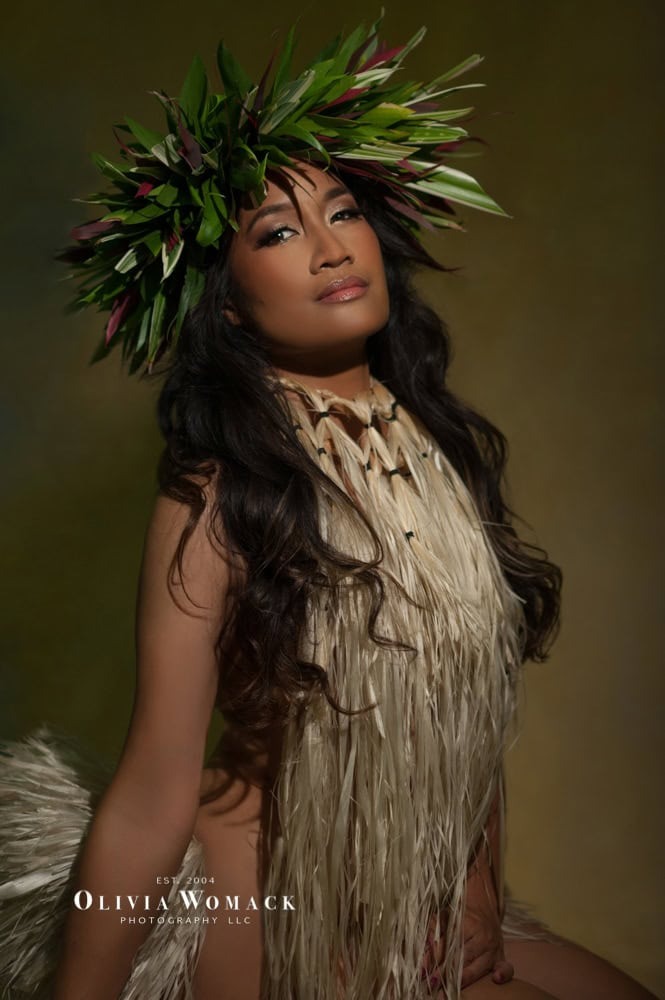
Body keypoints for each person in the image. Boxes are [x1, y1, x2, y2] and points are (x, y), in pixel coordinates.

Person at [0, 15, 658, 1000]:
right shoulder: (218, 492)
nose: (327, 249)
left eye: (340, 212)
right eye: (277, 231)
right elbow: (151, 792)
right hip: (271, 898)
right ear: (227, 303)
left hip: (416, 884)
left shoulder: (434, 453)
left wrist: (479, 887)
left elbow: (462, 701)